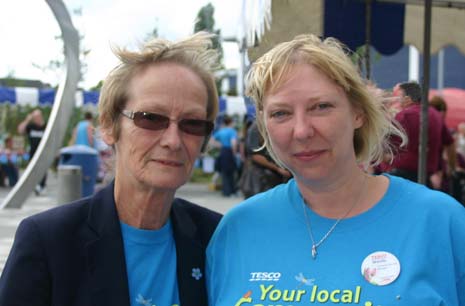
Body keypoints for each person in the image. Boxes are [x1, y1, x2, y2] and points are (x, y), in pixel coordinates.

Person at [206, 34, 465, 305]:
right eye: (280, 113)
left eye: (321, 107)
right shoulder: (237, 229)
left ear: (358, 112)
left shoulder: (441, 223)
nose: (302, 131)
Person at [0, 32, 222, 306]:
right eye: (151, 118)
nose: (173, 141)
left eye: (192, 124)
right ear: (108, 126)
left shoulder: (217, 238)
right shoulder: (49, 243)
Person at [389, 82, 456, 186]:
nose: (399, 102)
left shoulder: (403, 115)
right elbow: (450, 143)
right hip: (427, 176)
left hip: (403, 174)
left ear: (409, 98)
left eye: (400, 98)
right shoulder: (435, 115)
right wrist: (452, 168)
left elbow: (387, 145)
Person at [239, 120, 291, 198]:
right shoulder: (256, 128)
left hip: (273, 179)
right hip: (259, 178)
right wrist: (278, 168)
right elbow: (255, 155)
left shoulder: (274, 124)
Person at [17, 108, 47, 194]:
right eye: (34, 117)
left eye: (37, 116)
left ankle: (42, 186)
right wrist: (27, 120)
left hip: (43, 153)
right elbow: (20, 130)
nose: (36, 118)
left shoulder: (46, 126)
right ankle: (35, 185)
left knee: (42, 169)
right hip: (33, 153)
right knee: (32, 170)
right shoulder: (31, 126)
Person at [212, 115, 238, 197]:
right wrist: (234, 153)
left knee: (224, 172)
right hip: (229, 151)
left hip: (223, 151)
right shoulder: (232, 131)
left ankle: (225, 191)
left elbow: (211, 139)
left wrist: (219, 145)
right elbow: (233, 142)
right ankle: (231, 191)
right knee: (231, 172)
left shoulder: (221, 131)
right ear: (230, 122)